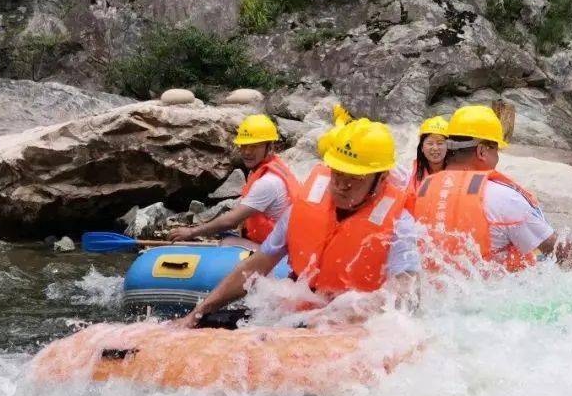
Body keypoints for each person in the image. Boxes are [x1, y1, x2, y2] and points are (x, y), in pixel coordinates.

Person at [174, 118, 420, 328]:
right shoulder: (303, 208)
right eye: (338, 173)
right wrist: (201, 310)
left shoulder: (400, 225)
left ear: (382, 178)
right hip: (303, 309)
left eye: (355, 178)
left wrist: (340, 314)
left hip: (350, 325)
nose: (341, 185)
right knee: (211, 322)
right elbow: (258, 263)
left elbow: (403, 296)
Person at [412, 104, 572, 272]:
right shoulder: (503, 197)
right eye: (496, 150)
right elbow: (561, 252)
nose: (497, 158)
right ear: (482, 151)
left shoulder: (422, 189)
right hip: (495, 296)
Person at [169, 114, 297, 245]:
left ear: (270, 147)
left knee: (227, 242)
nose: (247, 152)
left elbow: (231, 221)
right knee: (224, 234)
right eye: (244, 145)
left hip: (279, 251)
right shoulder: (266, 169)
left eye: (254, 146)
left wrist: (191, 232)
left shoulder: (268, 182)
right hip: (278, 241)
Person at [411, 116, 449, 189]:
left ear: (448, 147)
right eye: (430, 143)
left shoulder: (457, 170)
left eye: (440, 143)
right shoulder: (411, 172)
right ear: (422, 147)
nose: (435, 148)